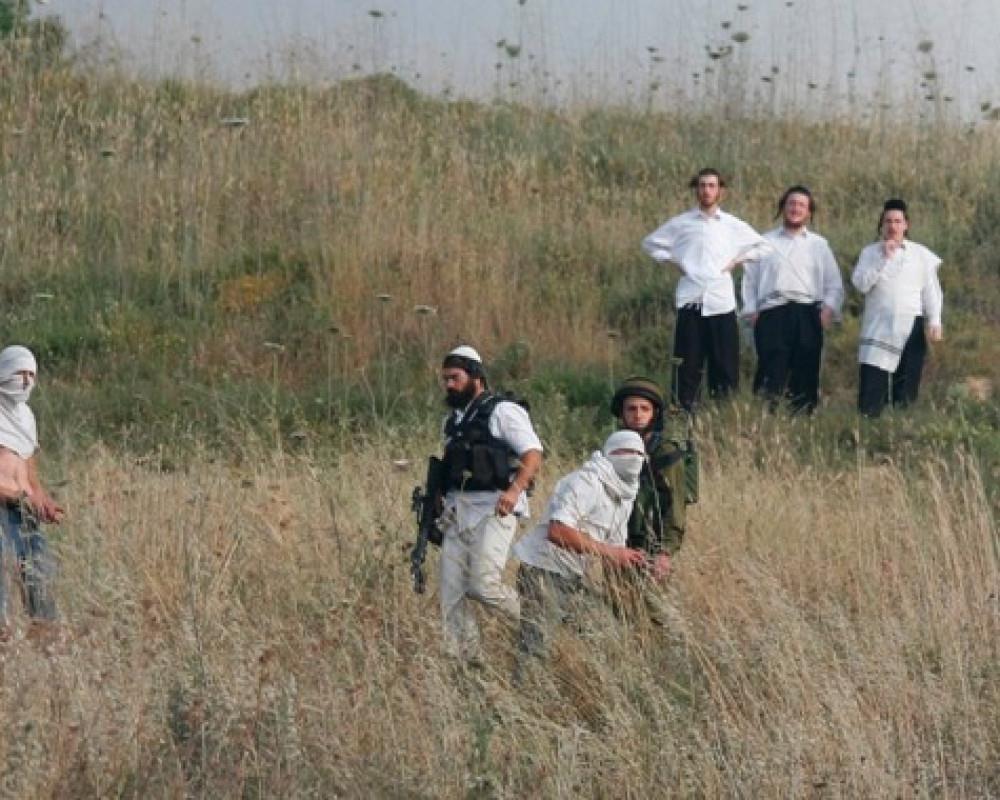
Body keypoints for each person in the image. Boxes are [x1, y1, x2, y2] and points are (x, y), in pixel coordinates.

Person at [436, 345, 543, 664]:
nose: (449, 385)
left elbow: (533, 453)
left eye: (455, 378)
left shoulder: (503, 411)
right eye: (445, 379)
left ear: (476, 377)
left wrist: (514, 491)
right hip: (457, 510)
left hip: (495, 506)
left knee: (483, 584)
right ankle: (466, 660)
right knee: (451, 593)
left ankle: (537, 622)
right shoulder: (451, 421)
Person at [512, 430, 646, 670]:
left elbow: (614, 549)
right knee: (535, 650)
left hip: (573, 576)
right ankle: (522, 690)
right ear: (609, 453)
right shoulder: (587, 482)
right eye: (625, 451)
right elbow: (558, 531)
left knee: (609, 635)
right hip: (543, 571)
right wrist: (612, 553)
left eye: (638, 453)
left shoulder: (626, 493)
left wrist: (635, 567)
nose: (633, 458)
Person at [642, 167, 772, 411]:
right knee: (687, 364)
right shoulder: (682, 223)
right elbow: (650, 243)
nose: (706, 191)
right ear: (696, 190)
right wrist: (674, 261)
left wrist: (737, 260)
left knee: (724, 365)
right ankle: (684, 413)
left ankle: (723, 414)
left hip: (721, 302)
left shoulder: (732, 225)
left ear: (720, 191)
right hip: (691, 300)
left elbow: (764, 247)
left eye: (711, 186)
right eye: (702, 185)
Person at [742, 185, 845, 413]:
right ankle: (766, 419)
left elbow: (834, 284)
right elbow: (749, 280)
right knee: (770, 370)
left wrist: (827, 311)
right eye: (791, 203)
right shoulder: (764, 242)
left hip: (807, 312)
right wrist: (751, 311)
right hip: (771, 312)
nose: (795, 209)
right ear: (783, 207)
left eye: (801, 205)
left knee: (806, 369)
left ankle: (803, 418)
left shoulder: (819, 245)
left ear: (809, 212)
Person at [852, 199, 943, 417]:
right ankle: (868, 425)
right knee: (873, 381)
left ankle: (902, 426)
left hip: (911, 323)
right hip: (878, 324)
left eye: (897, 221)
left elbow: (931, 290)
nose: (893, 226)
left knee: (907, 383)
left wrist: (935, 320)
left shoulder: (920, 254)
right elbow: (861, 284)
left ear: (906, 225)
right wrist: (883, 259)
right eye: (888, 221)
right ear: (881, 225)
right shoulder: (870, 253)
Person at [0, 345, 65, 642]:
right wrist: (16, 496)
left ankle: (46, 649)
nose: (26, 381)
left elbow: (30, 476)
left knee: (41, 577)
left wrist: (43, 502)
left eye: (31, 375)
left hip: (25, 515)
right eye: (19, 373)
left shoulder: (26, 417)